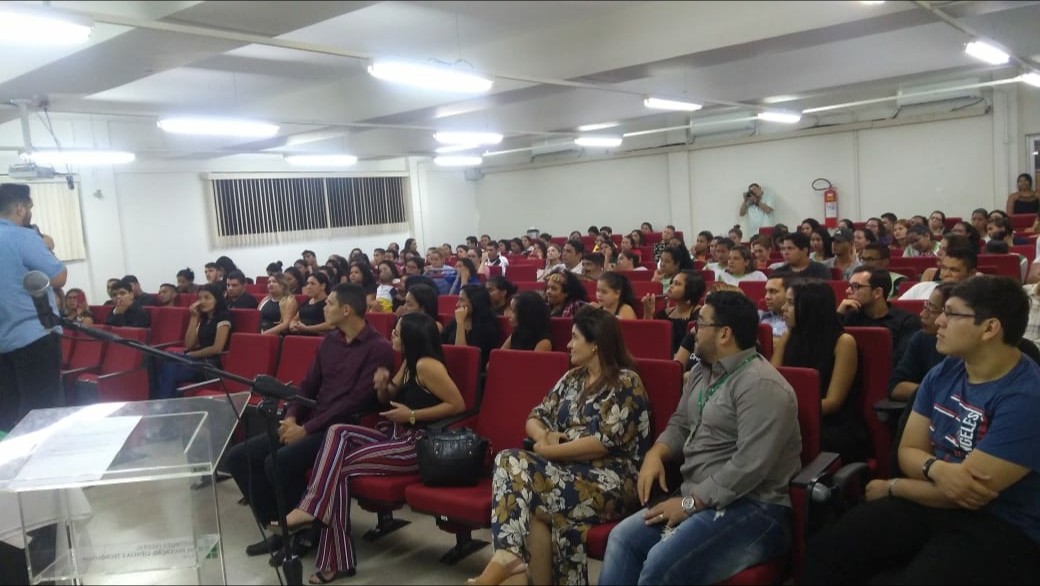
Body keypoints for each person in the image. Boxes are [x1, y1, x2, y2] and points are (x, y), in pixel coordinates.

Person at [803, 276, 1040, 585]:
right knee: (825, 552)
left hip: (1001, 523)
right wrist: (937, 469)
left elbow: (968, 493)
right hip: (930, 501)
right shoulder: (944, 372)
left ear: (989, 328)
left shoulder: (1027, 397)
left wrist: (893, 487)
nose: (939, 320)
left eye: (951, 313)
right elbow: (908, 451)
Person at [599, 291, 801, 585]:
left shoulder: (761, 385)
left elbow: (748, 467)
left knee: (661, 564)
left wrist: (688, 504)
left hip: (755, 507)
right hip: (697, 495)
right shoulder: (701, 372)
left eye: (701, 323)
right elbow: (681, 423)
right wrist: (657, 452)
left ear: (724, 334)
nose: (693, 330)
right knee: (622, 539)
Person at [279, 312, 464, 584]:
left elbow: (458, 404)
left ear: (412, 337)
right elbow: (389, 396)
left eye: (398, 332)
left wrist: (412, 415)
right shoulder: (409, 363)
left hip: (415, 445)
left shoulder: (427, 365)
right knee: (337, 430)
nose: (392, 335)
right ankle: (315, 512)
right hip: (394, 435)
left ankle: (331, 549)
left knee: (337, 469)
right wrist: (382, 387)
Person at [471, 305, 650, 586]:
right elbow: (534, 417)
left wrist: (546, 450)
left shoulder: (626, 382)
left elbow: (602, 443)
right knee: (526, 503)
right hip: (565, 470)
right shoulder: (572, 378)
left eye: (575, 337)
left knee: (511, 463)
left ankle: (507, 560)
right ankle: (509, 558)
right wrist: (544, 435)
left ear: (595, 343)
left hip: (610, 481)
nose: (568, 344)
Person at [226, 283, 394, 558]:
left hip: (343, 430)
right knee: (239, 457)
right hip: (312, 421)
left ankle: (306, 531)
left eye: (329, 303)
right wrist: (292, 417)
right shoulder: (330, 341)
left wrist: (305, 429)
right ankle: (279, 528)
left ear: (346, 309)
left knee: (278, 461)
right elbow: (307, 386)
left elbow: (355, 402)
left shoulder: (378, 348)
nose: (324, 307)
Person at [773, 279, 867, 462]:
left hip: (832, 425)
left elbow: (833, 402)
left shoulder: (843, 342)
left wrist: (789, 412)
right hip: (791, 417)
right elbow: (771, 380)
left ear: (810, 307)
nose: (783, 308)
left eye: (791, 303)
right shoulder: (788, 336)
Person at [0, 183, 68, 432]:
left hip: (2, 343)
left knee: (7, 412)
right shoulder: (23, 237)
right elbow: (58, 277)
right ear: (20, 208)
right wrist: (44, 247)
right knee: (42, 413)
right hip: (34, 337)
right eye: (29, 207)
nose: (29, 212)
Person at [153, 283, 232, 400]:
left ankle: (162, 403)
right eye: (200, 298)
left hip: (211, 365)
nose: (202, 302)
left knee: (170, 368)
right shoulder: (204, 319)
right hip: (197, 360)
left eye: (207, 298)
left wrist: (192, 354)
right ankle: (164, 403)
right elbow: (189, 344)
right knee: (163, 359)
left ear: (217, 299)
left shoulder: (223, 317)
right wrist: (194, 317)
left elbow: (217, 348)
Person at [888, 282, 955, 401]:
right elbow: (895, 386)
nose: (922, 314)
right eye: (926, 306)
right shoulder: (922, 338)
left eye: (932, 309)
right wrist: (934, 392)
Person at [838, 267, 922, 361]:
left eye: (855, 286)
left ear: (877, 292)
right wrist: (839, 314)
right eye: (849, 286)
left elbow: (902, 360)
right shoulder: (849, 316)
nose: (848, 291)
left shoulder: (907, 321)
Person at [642, 269, 706, 356]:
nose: (671, 286)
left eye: (677, 284)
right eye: (672, 283)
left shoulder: (700, 315)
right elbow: (649, 339)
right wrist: (648, 315)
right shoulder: (664, 313)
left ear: (690, 290)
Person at [442, 284, 501, 370]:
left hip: (470, 371)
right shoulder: (457, 320)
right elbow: (441, 341)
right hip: (450, 366)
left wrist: (460, 323)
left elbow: (462, 355)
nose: (457, 304)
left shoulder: (488, 328)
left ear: (475, 302)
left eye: (462, 300)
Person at [900, 240, 977, 300]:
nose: (946, 274)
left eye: (954, 270)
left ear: (971, 273)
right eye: (944, 268)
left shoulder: (977, 298)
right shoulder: (921, 288)